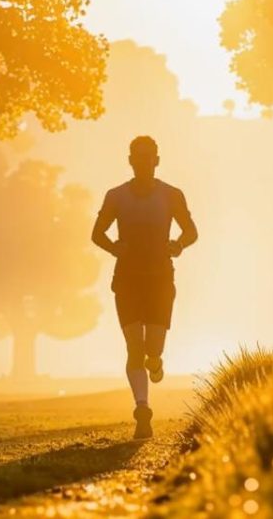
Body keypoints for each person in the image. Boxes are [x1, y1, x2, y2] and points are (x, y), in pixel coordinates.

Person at [91, 136, 198, 440]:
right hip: (126, 279)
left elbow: (191, 231)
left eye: (148, 156)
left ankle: (156, 360)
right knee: (134, 348)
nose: (142, 162)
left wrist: (178, 244)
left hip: (160, 279)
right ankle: (142, 410)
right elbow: (97, 233)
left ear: (156, 160)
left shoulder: (172, 195)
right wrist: (114, 248)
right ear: (129, 161)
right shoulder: (116, 196)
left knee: (152, 349)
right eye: (137, 157)